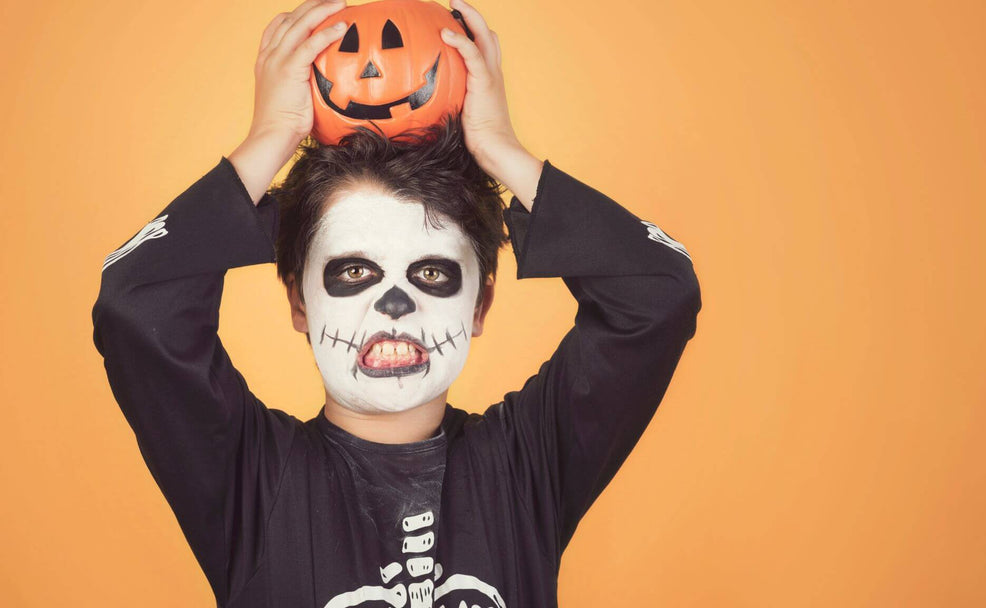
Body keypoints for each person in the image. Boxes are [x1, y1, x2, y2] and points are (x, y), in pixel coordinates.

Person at [91, 0, 701, 606]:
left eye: (432, 272)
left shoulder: (524, 469)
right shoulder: (249, 480)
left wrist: (499, 147)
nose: (394, 304)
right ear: (299, 301)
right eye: (355, 270)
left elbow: (659, 295)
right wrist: (270, 138)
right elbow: (135, 303)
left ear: (480, 303)